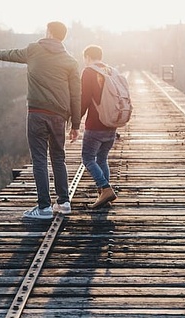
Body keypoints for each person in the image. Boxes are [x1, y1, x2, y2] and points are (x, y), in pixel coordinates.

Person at [0, 21, 81, 220]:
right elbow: (76, 95)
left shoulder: (34, 50)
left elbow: (12, 54)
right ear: (62, 37)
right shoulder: (70, 61)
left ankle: (44, 207)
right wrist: (76, 124)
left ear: (48, 32)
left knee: (39, 159)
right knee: (58, 158)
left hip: (37, 113)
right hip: (59, 116)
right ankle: (63, 202)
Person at [80, 44, 118, 208]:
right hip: (111, 124)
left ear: (87, 57)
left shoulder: (89, 72)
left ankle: (105, 188)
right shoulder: (110, 71)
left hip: (95, 125)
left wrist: (76, 120)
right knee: (102, 159)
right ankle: (103, 196)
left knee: (88, 158)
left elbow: (85, 99)